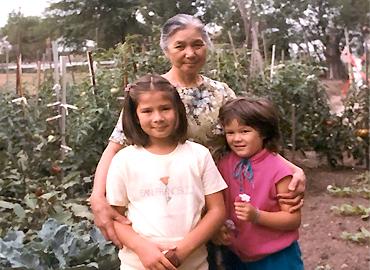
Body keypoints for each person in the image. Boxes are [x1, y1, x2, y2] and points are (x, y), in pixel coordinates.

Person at [90, 13, 305, 257]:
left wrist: (292, 168)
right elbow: (115, 146)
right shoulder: (155, 94)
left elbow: (251, 134)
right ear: (166, 50)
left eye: (198, 44)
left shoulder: (220, 92)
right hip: (177, 202)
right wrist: (98, 197)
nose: (190, 53)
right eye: (180, 46)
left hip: (221, 199)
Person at [105, 74, 227, 269]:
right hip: (139, 264)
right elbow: (115, 218)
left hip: (193, 263)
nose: (158, 118)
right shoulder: (124, 160)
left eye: (165, 109)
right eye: (147, 111)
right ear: (134, 116)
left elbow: (217, 210)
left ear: (178, 110)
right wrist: (143, 248)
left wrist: (181, 252)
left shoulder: (198, 155)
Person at [214, 97, 304, 270]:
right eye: (230, 132)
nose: (236, 138)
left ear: (263, 132)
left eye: (245, 131)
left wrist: (257, 216)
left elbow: (293, 219)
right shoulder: (224, 164)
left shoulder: (279, 170)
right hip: (237, 254)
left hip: (277, 257)